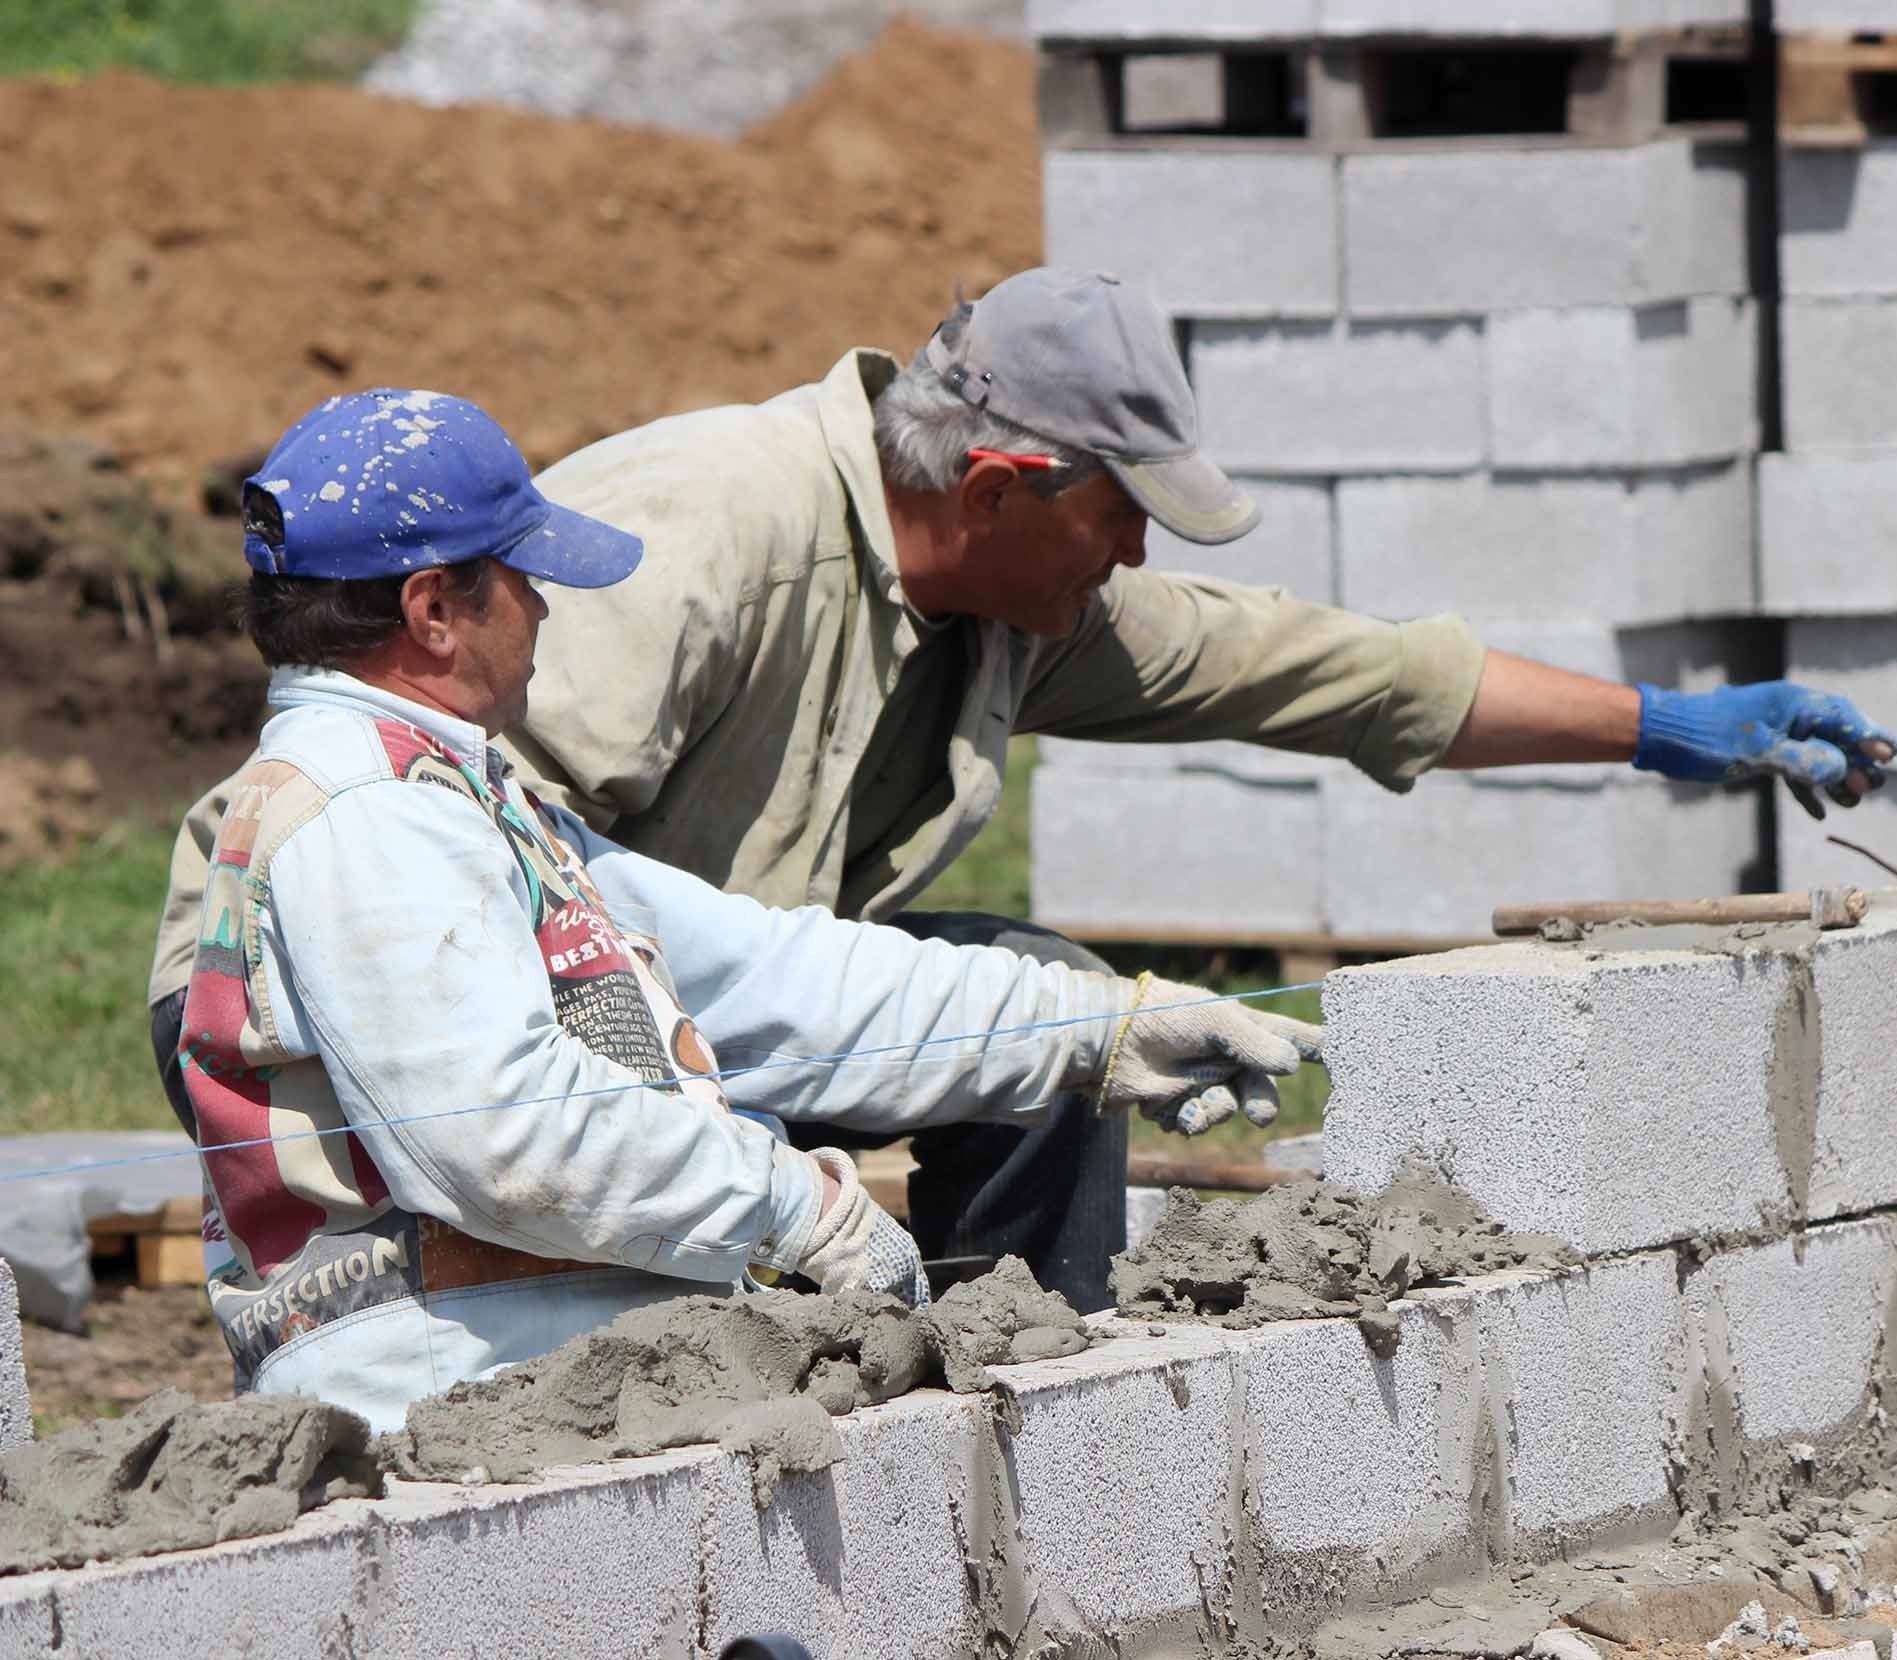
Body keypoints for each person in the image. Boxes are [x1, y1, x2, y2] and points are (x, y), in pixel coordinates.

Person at [155, 269, 1896, 1312]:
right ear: (998, 483)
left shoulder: (1009, 599)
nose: (1135, 550)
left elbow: (1317, 667)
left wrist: (1666, 729)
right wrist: (770, 1197)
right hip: (514, 1124)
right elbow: (517, 987)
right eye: (1118, 508)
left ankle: (1004, 1388)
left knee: (1039, 998)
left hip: (691, 1030)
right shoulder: (692, 551)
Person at [172, 389, 1316, 1430]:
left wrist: (1092, 1026)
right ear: (434, 610)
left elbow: (768, 976)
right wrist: (792, 1205)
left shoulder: (440, 789)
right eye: (520, 578)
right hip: (449, 1429)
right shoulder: (368, 816)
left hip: (532, 1391)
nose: (541, 610)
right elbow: (508, 1137)